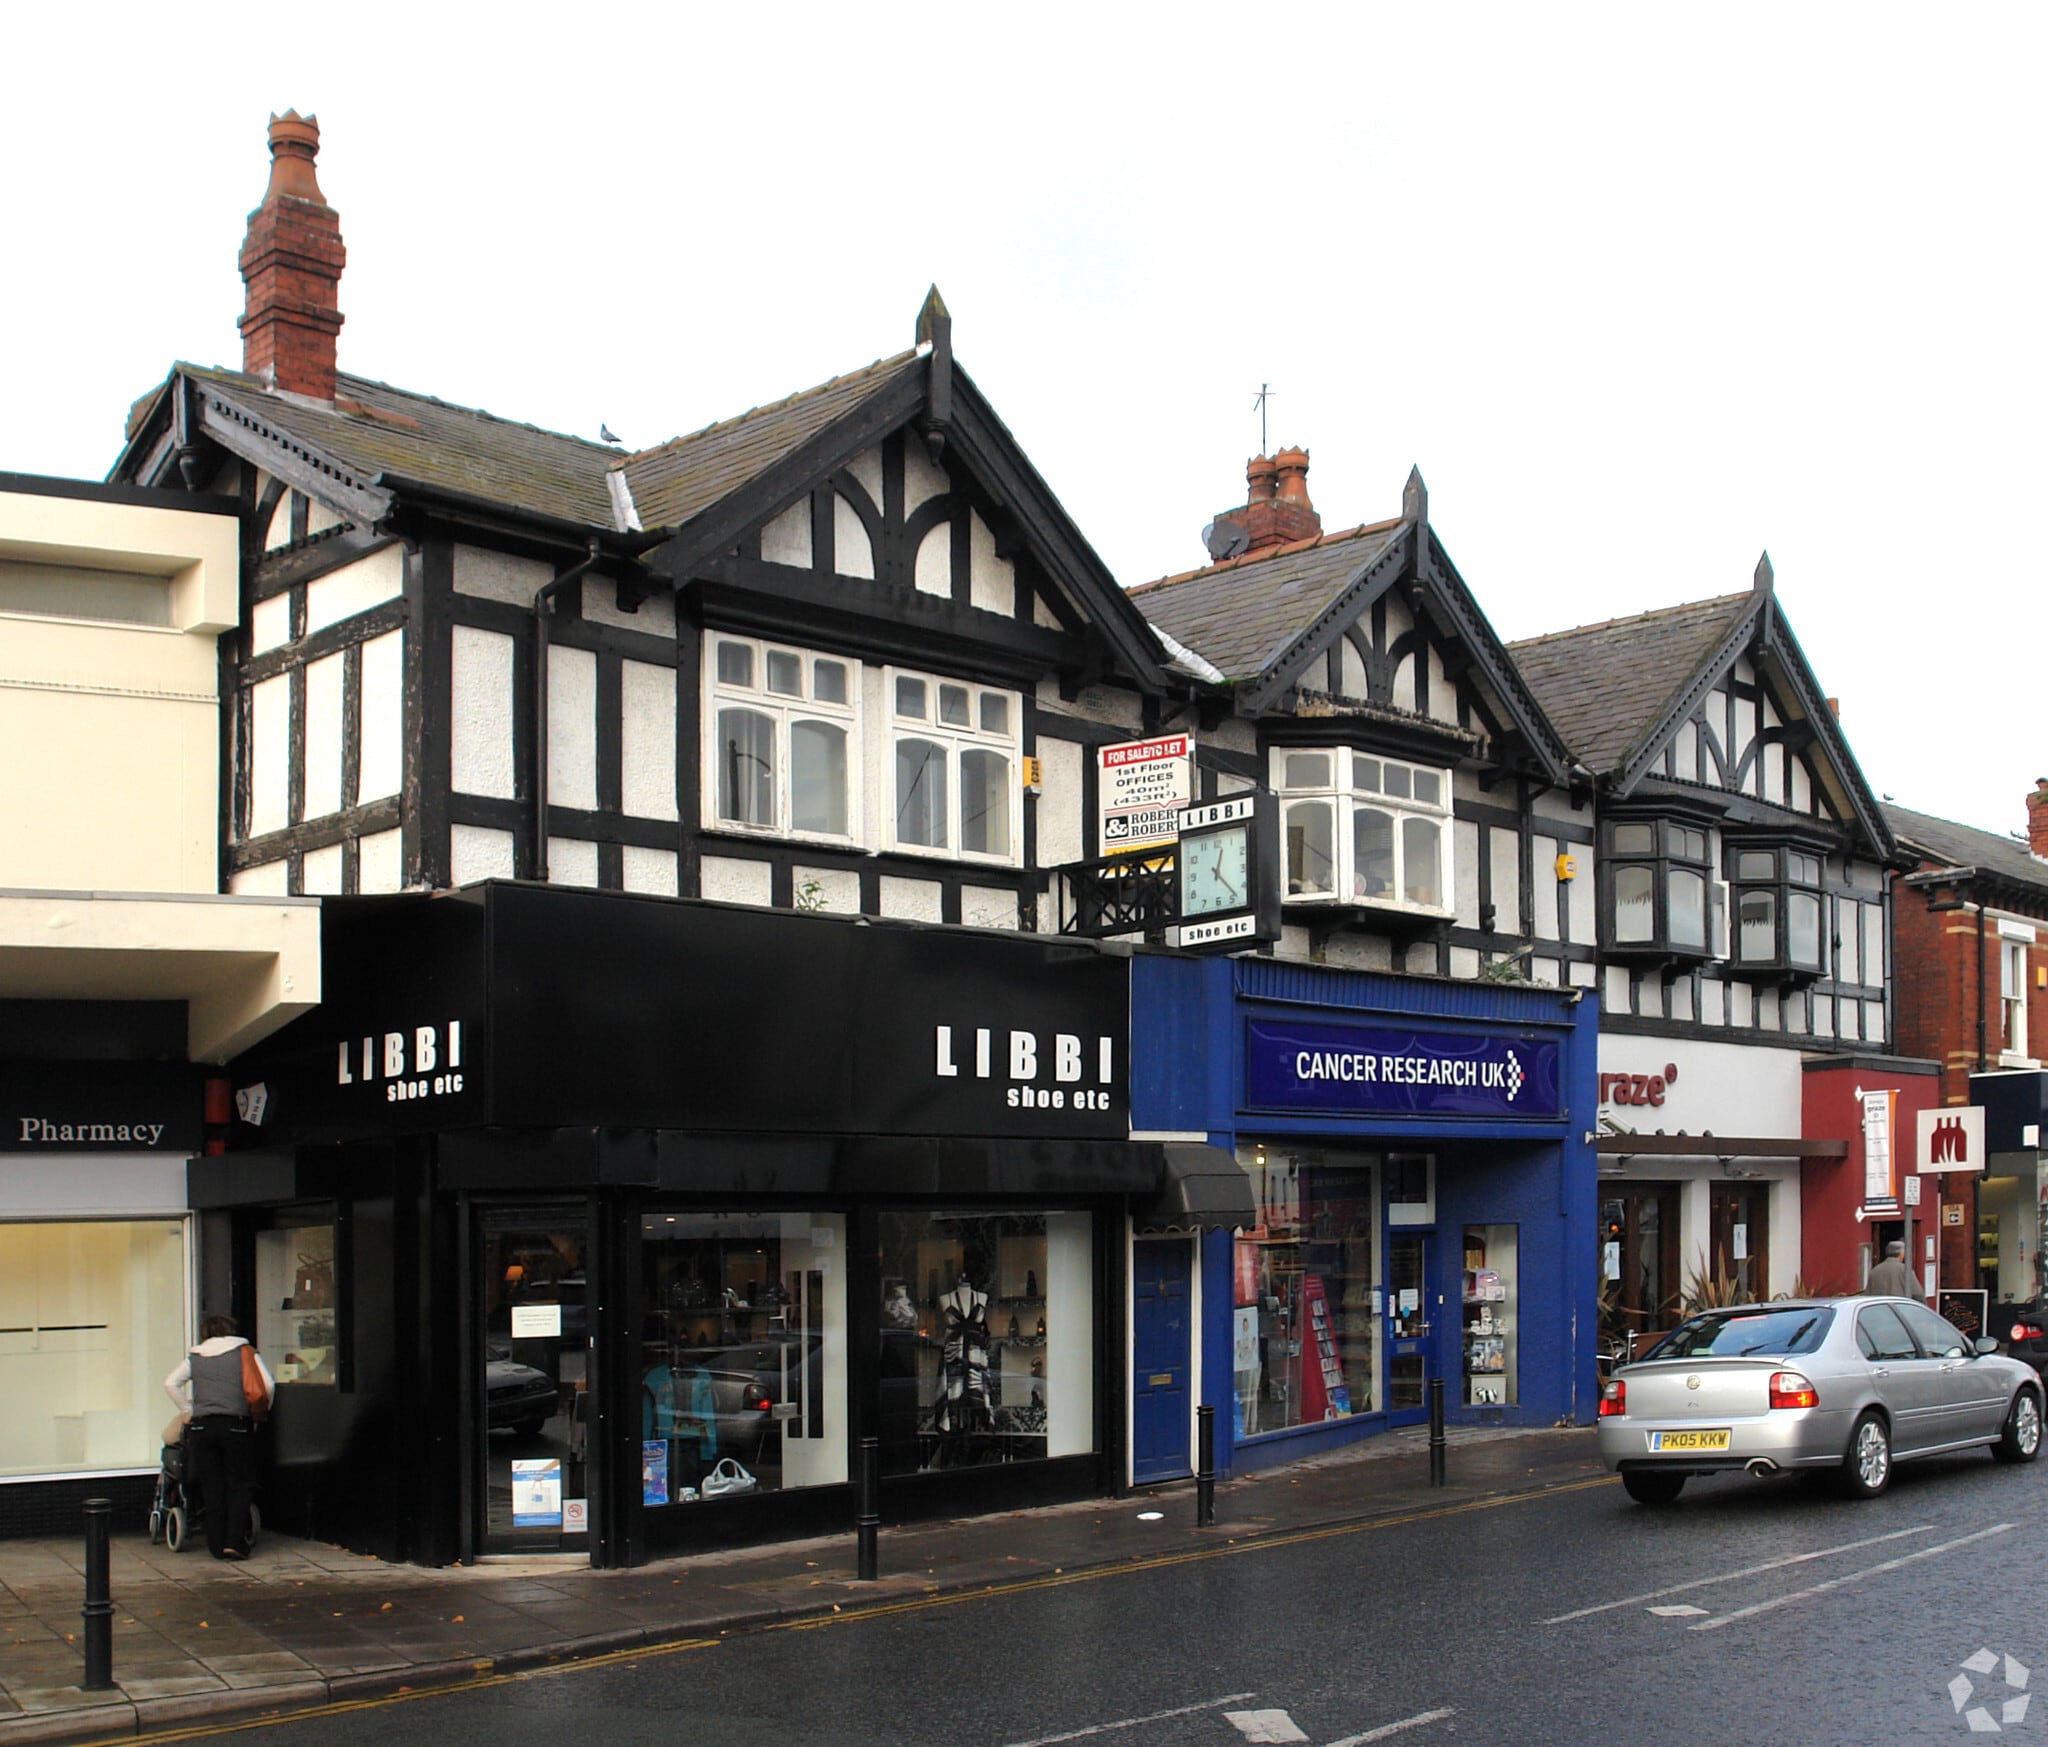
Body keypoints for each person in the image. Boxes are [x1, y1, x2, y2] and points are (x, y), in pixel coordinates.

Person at [163, 1313, 273, 1559]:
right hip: (235, 1424)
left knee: (212, 1486)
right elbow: (267, 1386)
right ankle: (234, 1542)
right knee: (240, 1484)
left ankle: (215, 1544)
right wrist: (259, 1415)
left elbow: (170, 1383)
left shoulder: (195, 1357)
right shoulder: (244, 1352)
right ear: (230, 1329)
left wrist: (189, 1410)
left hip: (202, 1427)